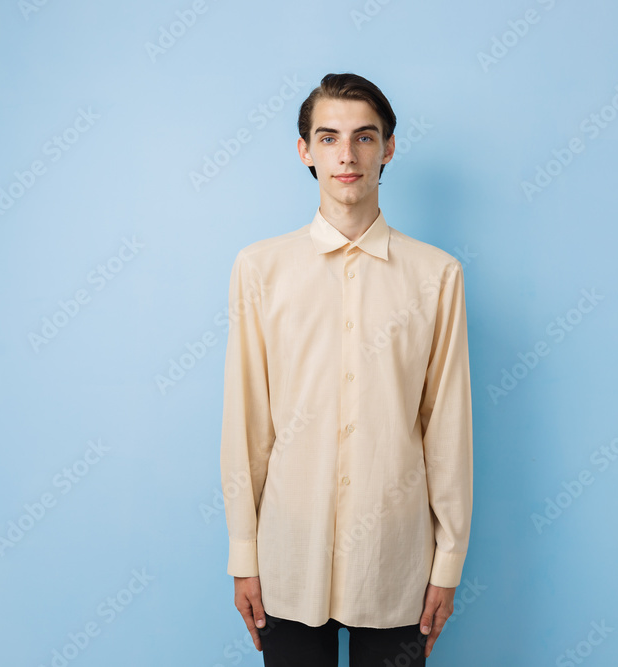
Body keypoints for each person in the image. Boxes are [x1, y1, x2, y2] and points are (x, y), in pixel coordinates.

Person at [219, 72, 474, 666]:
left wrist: (448, 563)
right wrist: (243, 554)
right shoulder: (260, 269)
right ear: (305, 151)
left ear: (388, 148)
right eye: (329, 137)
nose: (347, 154)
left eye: (364, 136)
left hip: (396, 563)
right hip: (288, 558)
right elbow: (247, 425)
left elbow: (447, 431)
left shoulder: (436, 276)